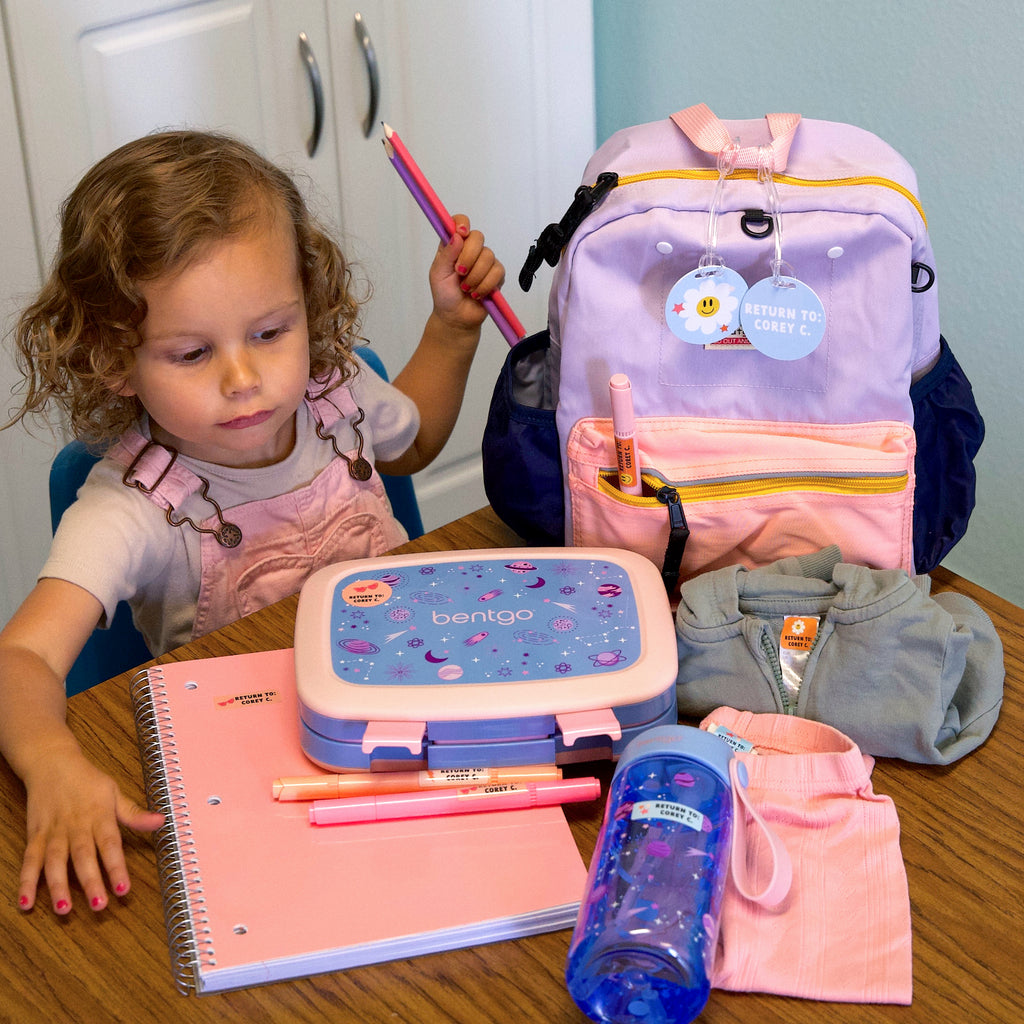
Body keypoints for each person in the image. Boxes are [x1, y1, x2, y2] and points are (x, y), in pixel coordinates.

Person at [0, 130, 505, 916]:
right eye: (193, 353)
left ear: (308, 300)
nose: (245, 379)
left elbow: (416, 444)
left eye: (271, 333)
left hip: (424, 711)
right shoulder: (130, 508)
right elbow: (23, 656)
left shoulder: (338, 397)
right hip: (263, 775)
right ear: (112, 358)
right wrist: (53, 762)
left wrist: (452, 332)